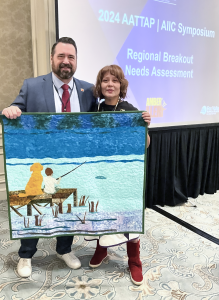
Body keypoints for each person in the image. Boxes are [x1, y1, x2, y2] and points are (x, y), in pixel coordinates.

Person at [1, 37, 96, 278]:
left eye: (71, 57)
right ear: (52, 59)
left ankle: (64, 249)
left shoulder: (88, 91)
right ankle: (26, 255)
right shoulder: (32, 86)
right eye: (61, 56)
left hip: (72, 161)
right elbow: (17, 109)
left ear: (76, 61)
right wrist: (11, 109)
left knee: (68, 206)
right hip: (40, 163)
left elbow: (97, 123)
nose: (66, 61)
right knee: (34, 206)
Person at [86, 64, 151, 286]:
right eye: (105, 80)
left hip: (124, 176)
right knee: (101, 214)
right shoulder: (94, 111)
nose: (110, 84)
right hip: (101, 175)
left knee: (128, 217)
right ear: (100, 85)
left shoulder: (130, 110)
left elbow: (145, 145)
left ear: (121, 85)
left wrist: (144, 128)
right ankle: (101, 248)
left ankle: (134, 260)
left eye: (114, 80)